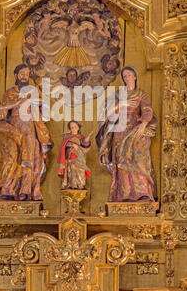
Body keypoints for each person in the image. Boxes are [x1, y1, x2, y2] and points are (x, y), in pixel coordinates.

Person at [0, 64, 53, 201]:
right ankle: (9, 189)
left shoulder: (33, 92)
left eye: (26, 74)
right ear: (16, 75)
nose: (24, 76)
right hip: (15, 129)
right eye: (22, 73)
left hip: (31, 129)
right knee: (13, 157)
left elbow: (42, 112)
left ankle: (26, 191)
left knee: (32, 159)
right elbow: (3, 110)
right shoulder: (10, 93)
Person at [96, 66, 157, 202]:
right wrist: (121, 104)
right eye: (124, 76)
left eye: (129, 75)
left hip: (136, 129)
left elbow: (147, 110)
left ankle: (143, 193)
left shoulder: (141, 94)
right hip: (120, 130)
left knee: (140, 159)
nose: (127, 78)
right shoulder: (118, 95)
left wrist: (144, 124)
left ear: (135, 77)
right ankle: (124, 194)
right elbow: (106, 113)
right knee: (122, 160)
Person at [57, 121, 92, 190]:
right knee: (71, 171)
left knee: (80, 171)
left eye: (75, 126)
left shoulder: (81, 137)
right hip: (70, 159)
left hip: (79, 159)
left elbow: (85, 145)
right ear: (70, 129)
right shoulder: (67, 138)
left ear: (78, 127)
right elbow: (63, 146)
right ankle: (71, 185)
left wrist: (87, 138)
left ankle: (80, 185)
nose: (74, 128)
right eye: (72, 127)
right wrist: (72, 144)